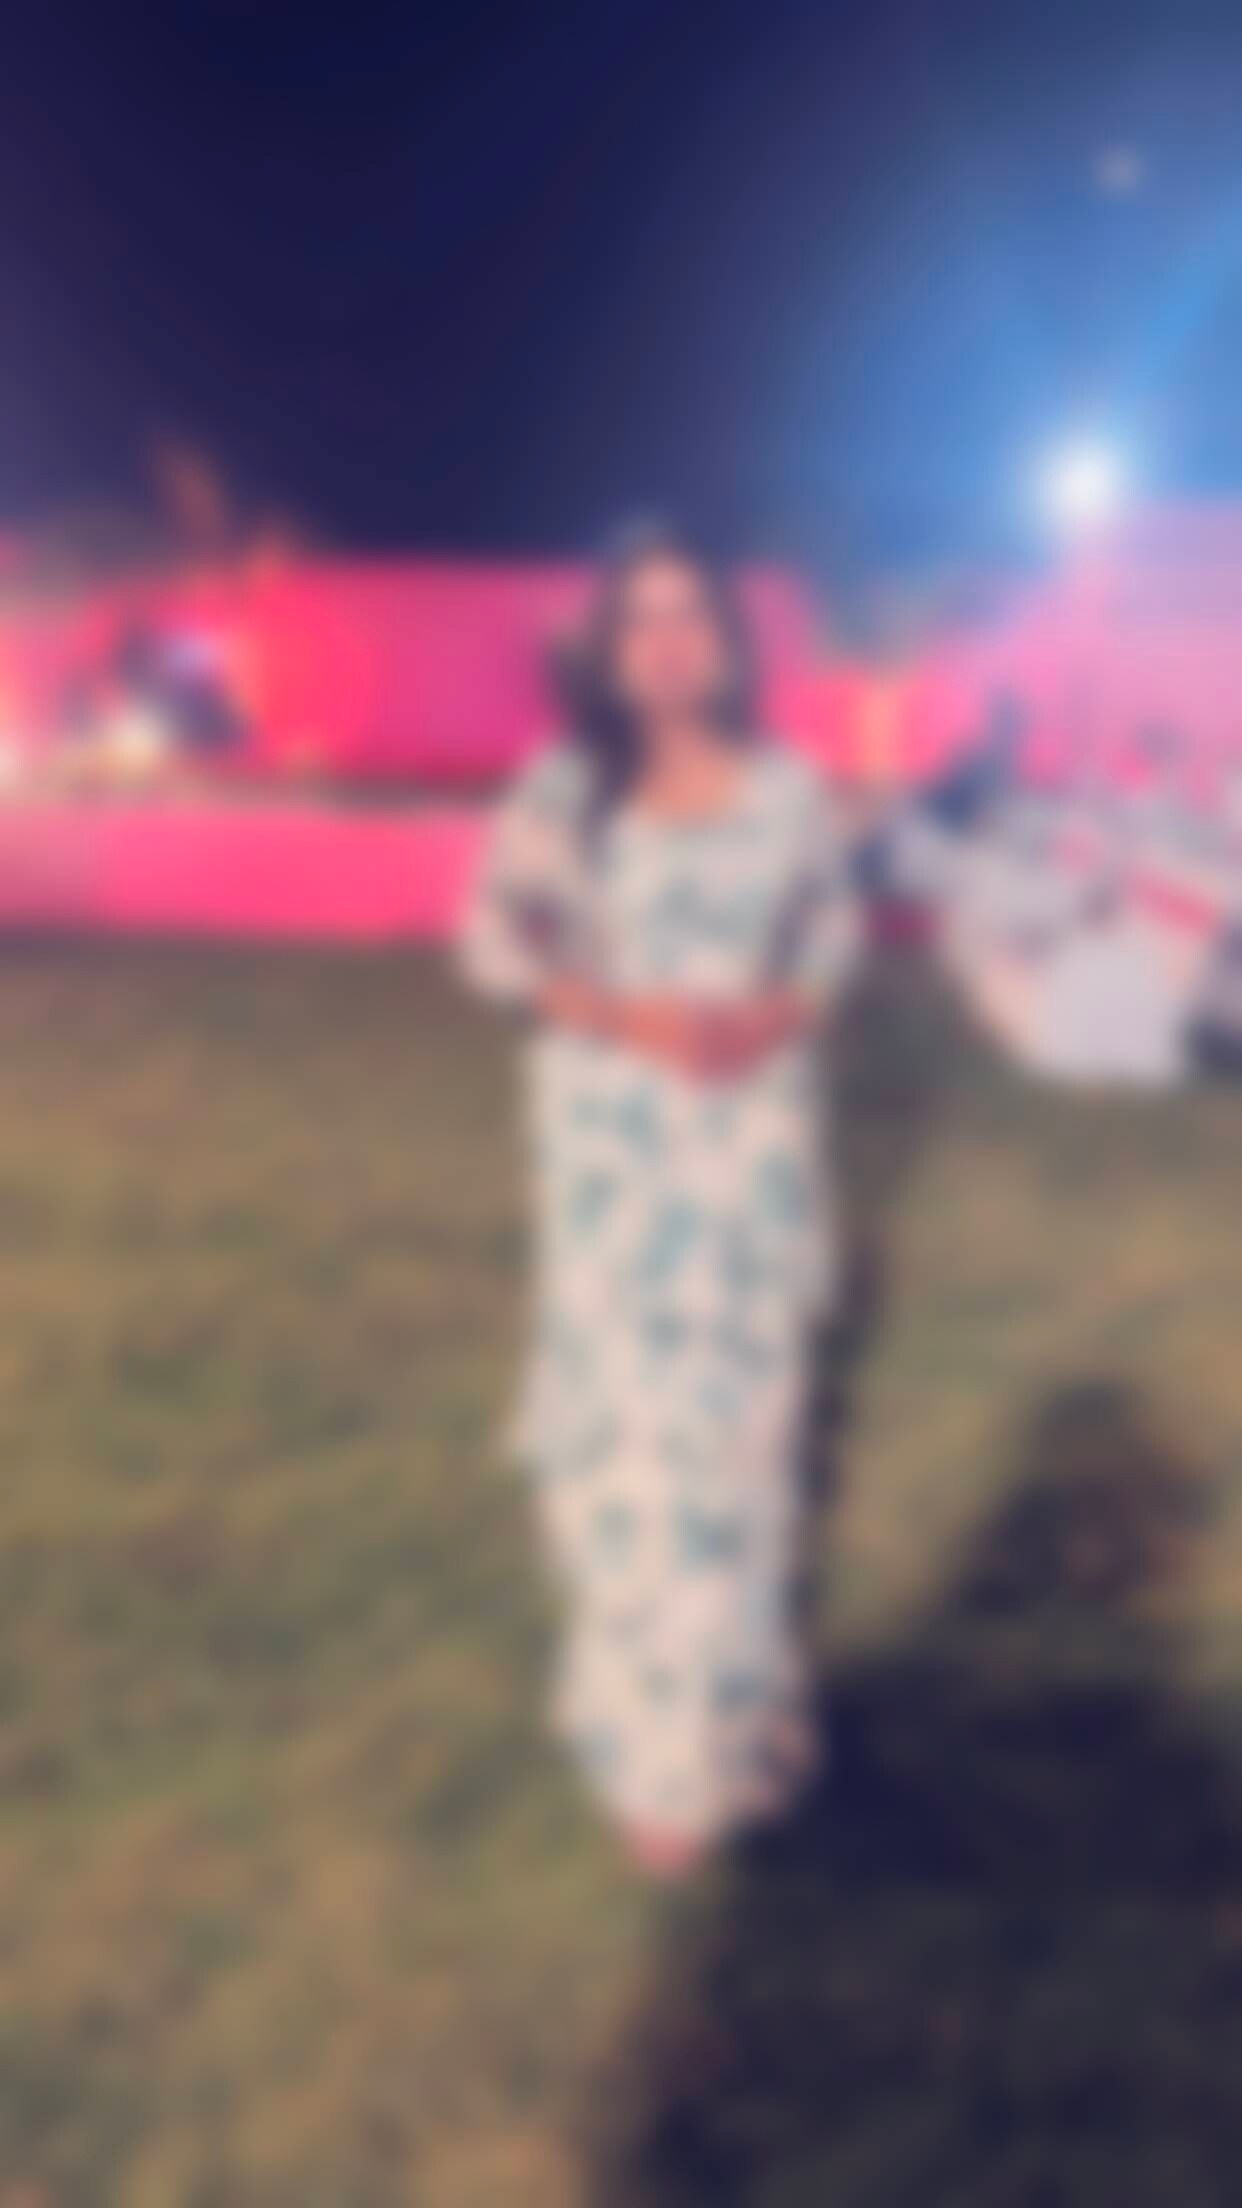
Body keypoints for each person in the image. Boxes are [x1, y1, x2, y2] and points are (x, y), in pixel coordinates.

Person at [459, 525, 857, 1877]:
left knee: (734, 1457)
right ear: (607, 648)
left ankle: (727, 1728)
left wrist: (775, 1015)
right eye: (638, 618)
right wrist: (621, 1014)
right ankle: (644, 1744)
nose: (667, 641)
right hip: (616, 1171)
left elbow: (830, 935)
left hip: (746, 1167)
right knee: (625, 1462)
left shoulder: (791, 791)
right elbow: (493, 938)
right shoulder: (564, 790)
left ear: (731, 640)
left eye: (691, 613)